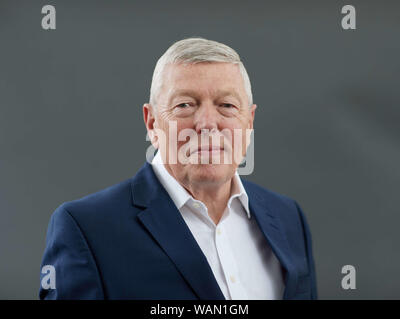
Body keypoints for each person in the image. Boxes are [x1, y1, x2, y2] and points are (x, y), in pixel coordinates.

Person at [39, 37, 317, 300]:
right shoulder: (87, 230)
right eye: (185, 105)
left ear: (249, 122)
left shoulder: (288, 219)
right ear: (152, 124)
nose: (207, 123)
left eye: (227, 105)